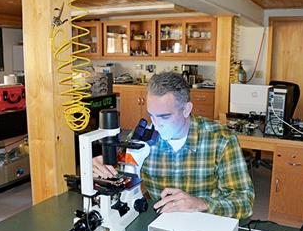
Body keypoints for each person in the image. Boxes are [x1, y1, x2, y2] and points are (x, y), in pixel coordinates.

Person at [93, 72, 254, 219]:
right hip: (161, 221)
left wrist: (200, 204)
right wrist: (104, 167)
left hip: (206, 221)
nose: (156, 124)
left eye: (164, 116)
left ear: (186, 109)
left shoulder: (221, 139)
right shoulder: (142, 137)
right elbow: (121, 170)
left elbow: (244, 202)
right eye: (151, 116)